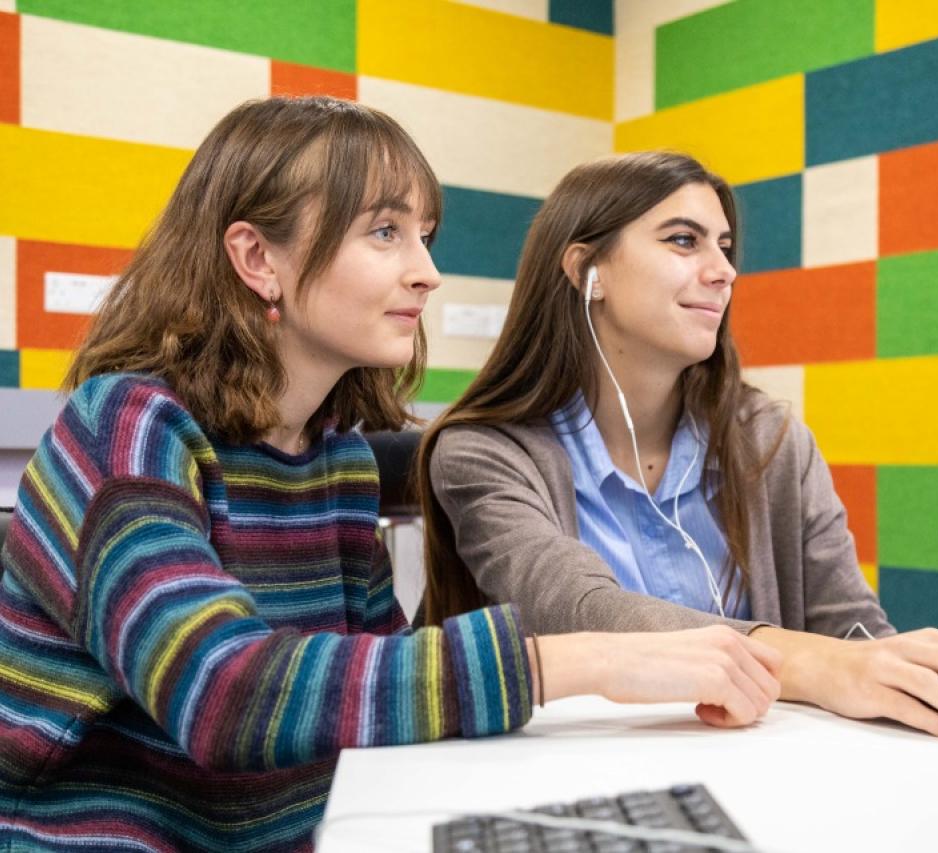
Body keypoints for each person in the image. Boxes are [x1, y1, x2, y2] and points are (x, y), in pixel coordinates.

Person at [0, 100, 780, 852]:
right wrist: (583, 660)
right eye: (385, 232)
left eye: (425, 235)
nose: (429, 273)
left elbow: (380, 683)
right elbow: (222, 689)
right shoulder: (127, 426)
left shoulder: (335, 458)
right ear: (256, 258)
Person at [420, 151, 938, 744]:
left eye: (725, 247)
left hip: (762, 772)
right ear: (588, 271)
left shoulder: (770, 440)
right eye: (682, 240)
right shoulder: (484, 452)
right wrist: (818, 664)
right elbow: (575, 611)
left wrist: (913, 676)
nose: (723, 271)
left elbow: (851, 627)